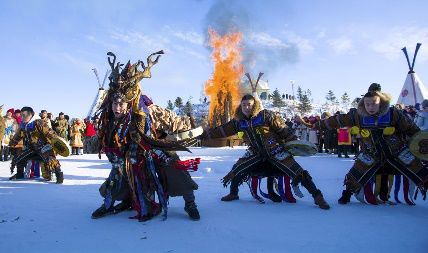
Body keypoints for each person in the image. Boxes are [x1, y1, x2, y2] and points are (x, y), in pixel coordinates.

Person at [91, 51, 201, 221]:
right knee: (117, 175)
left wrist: (189, 127)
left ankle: (190, 203)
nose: (117, 108)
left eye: (121, 104)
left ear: (129, 102)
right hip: (130, 157)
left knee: (176, 169)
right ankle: (108, 203)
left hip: (156, 148)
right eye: (114, 103)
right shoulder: (110, 118)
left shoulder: (147, 109)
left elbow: (172, 120)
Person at [304, 83, 428, 204]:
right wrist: (317, 125)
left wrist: (421, 141)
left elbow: (411, 128)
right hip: (371, 151)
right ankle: (347, 194)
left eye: (374, 104)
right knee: (355, 174)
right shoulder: (358, 115)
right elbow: (338, 120)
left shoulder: (392, 113)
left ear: (381, 102)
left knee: (420, 171)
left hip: (396, 150)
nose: (371, 107)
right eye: (367, 104)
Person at [201, 94, 330, 210]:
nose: (246, 107)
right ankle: (233, 193)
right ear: (241, 106)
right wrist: (203, 135)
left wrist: (293, 142)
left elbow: (283, 129)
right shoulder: (238, 122)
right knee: (237, 169)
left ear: (254, 105)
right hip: (256, 153)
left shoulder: (266, 115)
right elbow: (221, 130)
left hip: (275, 150)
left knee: (298, 172)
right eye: (244, 105)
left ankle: (318, 197)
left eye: (249, 105)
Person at [9, 106, 64, 183]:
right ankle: (19, 174)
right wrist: (11, 144)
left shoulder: (39, 122)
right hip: (31, 148)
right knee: (20, 157)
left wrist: (56, 141)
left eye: (24, 115)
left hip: (44, 146)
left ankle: (59, 175)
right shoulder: (23, 125)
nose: (22, 117)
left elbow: (49, 132)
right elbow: (17, 136)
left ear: (30, 115)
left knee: (50, 160)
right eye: (21, 115)